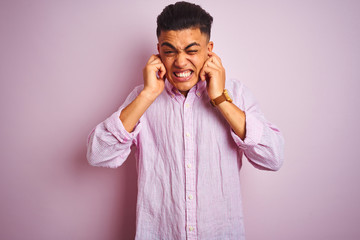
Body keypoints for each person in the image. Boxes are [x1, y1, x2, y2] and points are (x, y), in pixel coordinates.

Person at [87, 1, 284, 239]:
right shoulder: (141, 98)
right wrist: (148, 95)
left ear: (209, 50)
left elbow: (273, 158)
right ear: (158, 51)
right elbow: (98, 154)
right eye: (170, 51)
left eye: (191, 51)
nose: (180, 62)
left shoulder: (236, 94)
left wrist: (220, 99)